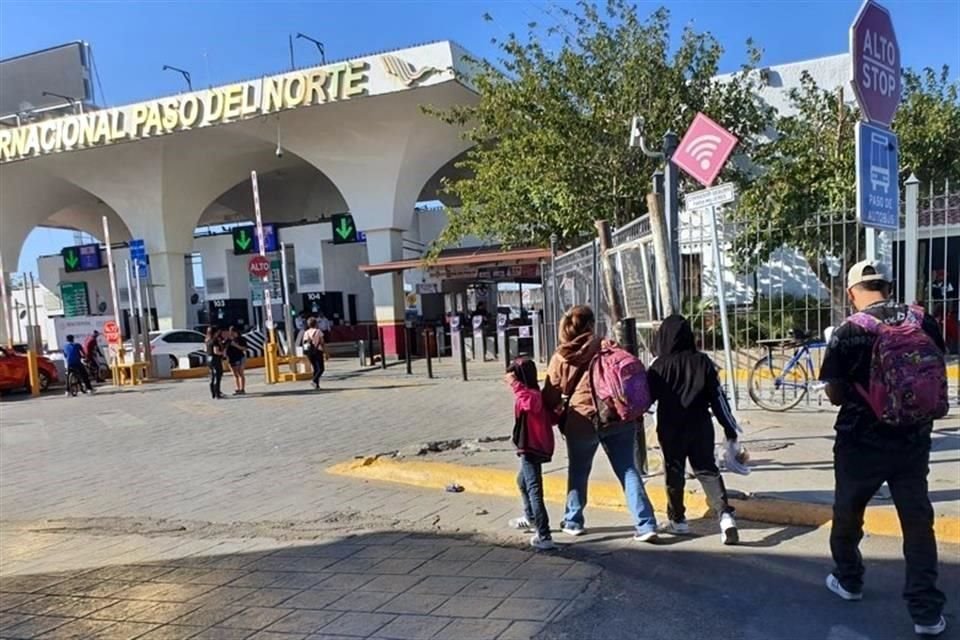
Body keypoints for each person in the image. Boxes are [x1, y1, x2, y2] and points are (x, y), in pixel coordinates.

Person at [819, 261, 948, 637]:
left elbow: (835, 392)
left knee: (847, 511)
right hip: (913, 439)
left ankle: (849, 580)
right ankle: (925, 613)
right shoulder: (924, 322)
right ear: (888, 288)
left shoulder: (848, 331)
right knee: (917, 521)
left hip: (860, 441)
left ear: (851, 292)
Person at [542, 305, 659, 542]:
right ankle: (646, 524)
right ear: (591, 326)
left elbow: (550, 398)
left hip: (581, 421)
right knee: (628, 470)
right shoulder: (607, 346)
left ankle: (573, 520)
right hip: (616, 416)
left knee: (578, 471)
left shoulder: (562, 357)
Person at [647, 314, 739, 545]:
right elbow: (718, 398)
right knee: (707, 470)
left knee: (674, 471)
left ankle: (678, 519)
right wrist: (729, 427)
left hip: (670, 427)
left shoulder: (659, 366)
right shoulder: (703, 362)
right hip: (700, 424)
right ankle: (725, 516)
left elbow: (646, 400)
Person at [505, 357, 555, 550]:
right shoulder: (534, 393)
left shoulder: (531, 395)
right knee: (522, 482)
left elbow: (527, 403)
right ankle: (530, 517)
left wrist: (515, 385)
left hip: (532, 447)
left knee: (534, 490)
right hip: (531, 445)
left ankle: (544, 535)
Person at [302, 317, 326, 389]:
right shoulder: (318, 331)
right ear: (316, 324)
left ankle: (316, 385)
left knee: (315, 368)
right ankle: (314, 380)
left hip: (309, 352)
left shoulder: (306, 332)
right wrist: (325, 351)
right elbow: (322, 342)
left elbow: (305, 343)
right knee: (321, 369)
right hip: (318, 351)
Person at [225, 326, 247, 396]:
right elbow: (225, 349)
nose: (231, 334)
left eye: (233, 332)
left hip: (240, 357)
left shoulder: (241, 339)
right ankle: (238, 388)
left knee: (240, 373)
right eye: (230, 332)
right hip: (231, 358)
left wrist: (236, 345)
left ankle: (242, 389)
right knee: (235, 374)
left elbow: (244, 348)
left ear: (236, 332)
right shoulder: (228, 340)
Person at [205, 326, 225, 400]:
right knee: (218, 376)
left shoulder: (207, 340)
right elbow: (216, 351)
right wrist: (222, 353)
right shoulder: (215, 340)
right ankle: (217, 394)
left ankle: (213, 393)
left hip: (208, 359)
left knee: (212, 376)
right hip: (215, 359)